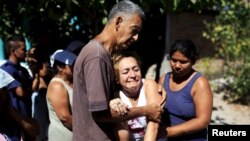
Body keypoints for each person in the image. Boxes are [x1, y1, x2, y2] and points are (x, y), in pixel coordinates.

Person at [72, 1, 163, 141]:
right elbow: (101, 114)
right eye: (134, 30)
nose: (136, 37)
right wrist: (146, 110)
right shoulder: (96, 55)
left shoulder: (103, 54)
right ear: (118, 21)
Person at [158, 38, 213, 141]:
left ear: (193, 61)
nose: (177, 66)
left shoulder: (199, 83)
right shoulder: (163, 80)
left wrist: (168, 132)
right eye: (174, 60)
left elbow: (203, 121)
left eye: (183, 62)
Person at [110, 51, 167, 141]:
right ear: (117, 78)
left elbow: (153, 125)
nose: (132, 75)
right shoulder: (115, 94)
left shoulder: (149, 85)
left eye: (136, 70)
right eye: (125, 72)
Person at [0, 35, 38, 140]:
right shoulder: (6, 70)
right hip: (14, 120)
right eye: (23, 49)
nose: (26, 52)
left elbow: (34, 87)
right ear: (13, 50)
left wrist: (35, 71)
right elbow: (21, 92)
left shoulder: (23, 70)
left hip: (25, 117)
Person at [0, 68, 39, 141]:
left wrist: (12, 112)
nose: (2, 96)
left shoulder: (11, 115)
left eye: (4, 90)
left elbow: (35, 130)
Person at [46, 49, 77, 141]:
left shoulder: (70, 83)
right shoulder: (57, 86)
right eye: (72, 65)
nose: (75, 67)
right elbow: (65, 117)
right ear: (60, 67)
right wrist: (86, 130)